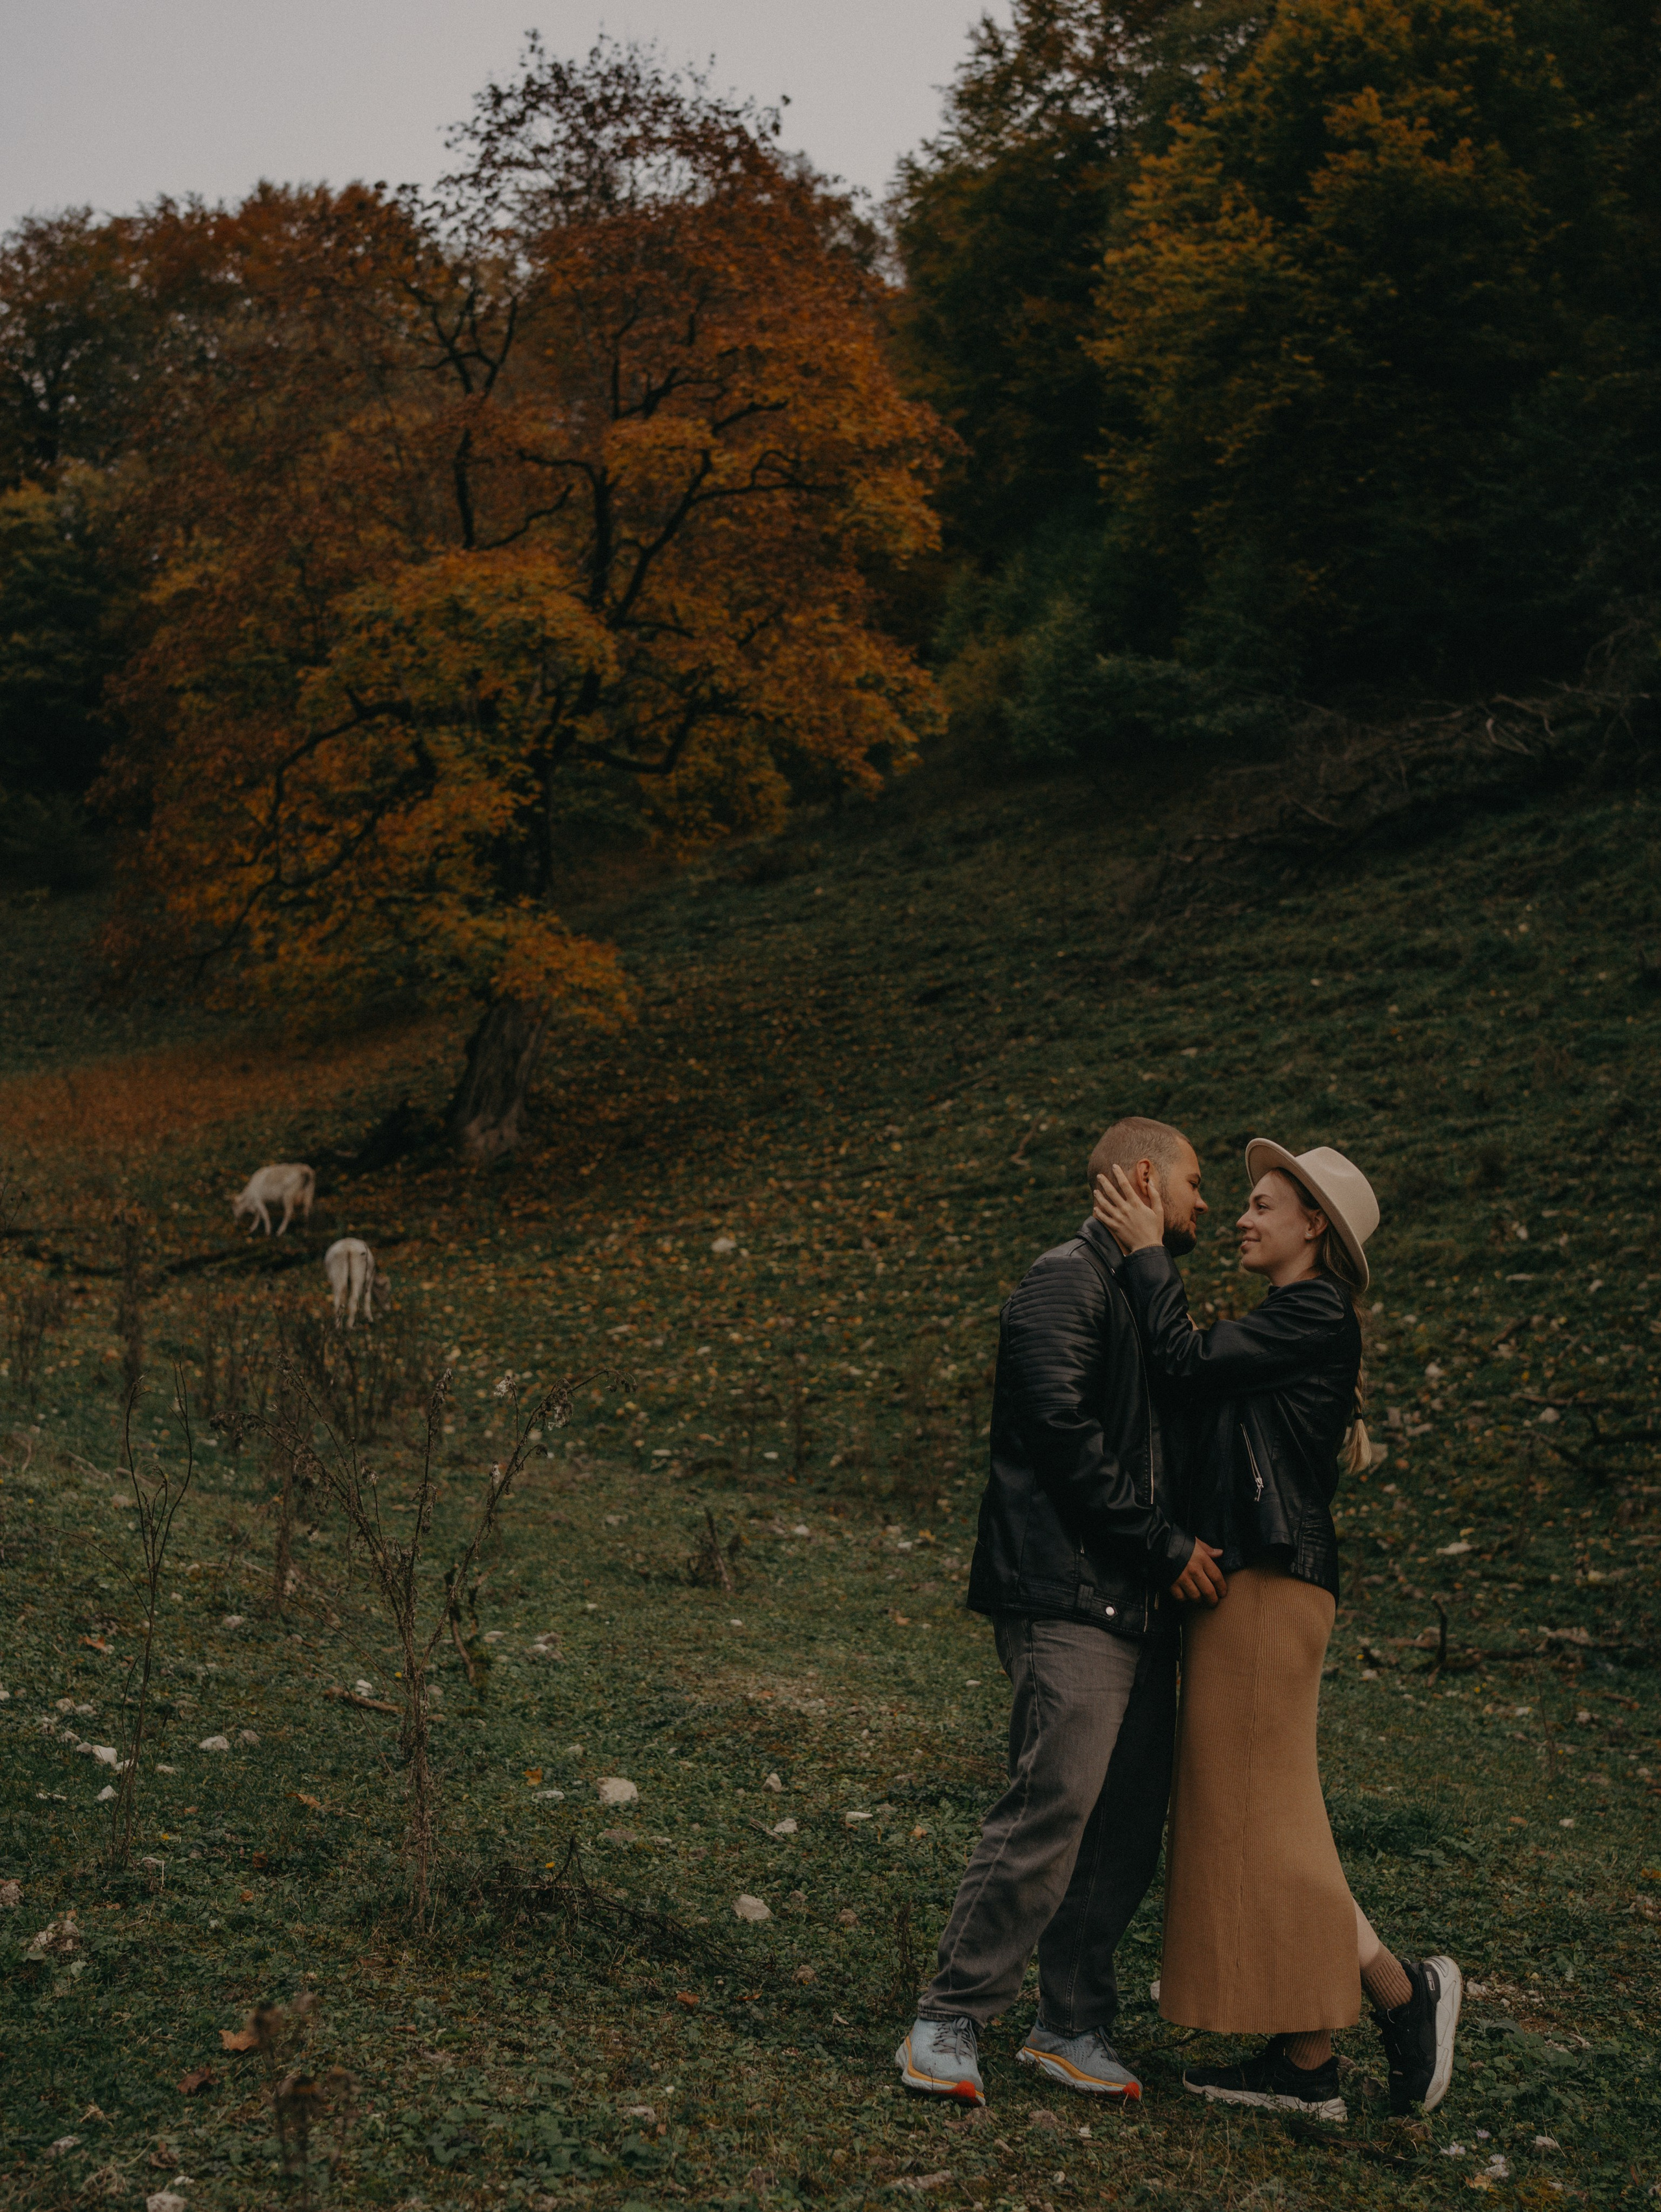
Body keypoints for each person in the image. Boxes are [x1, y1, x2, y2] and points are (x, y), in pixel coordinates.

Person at [1093, 1140, 1462, 2122]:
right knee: (1246, 1809)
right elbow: (1188, 1390)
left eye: (1261, 1205)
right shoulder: (1291, 1318)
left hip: (1271, 1585)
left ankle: (1402, 1990)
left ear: (1314, 1229)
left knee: (1267, 1812)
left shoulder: (1315, 1311)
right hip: (1250, 1582)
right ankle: (1304, 2059)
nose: (1242, 1218)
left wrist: (1144, 1253)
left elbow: (1179, 1358)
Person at [894, 1116, 1226, 2108]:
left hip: (1139, 1605)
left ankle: (1069, 2022)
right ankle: (948, 2017)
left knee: (1122, 1824)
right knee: (1055, 1799)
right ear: (1140, 1176)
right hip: (1069, 1594)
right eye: (1195, 1180)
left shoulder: (1139, 1290)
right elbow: (1065, 1439)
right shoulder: (1061, 1280)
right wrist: (1168, 1548)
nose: (1205, 1200)